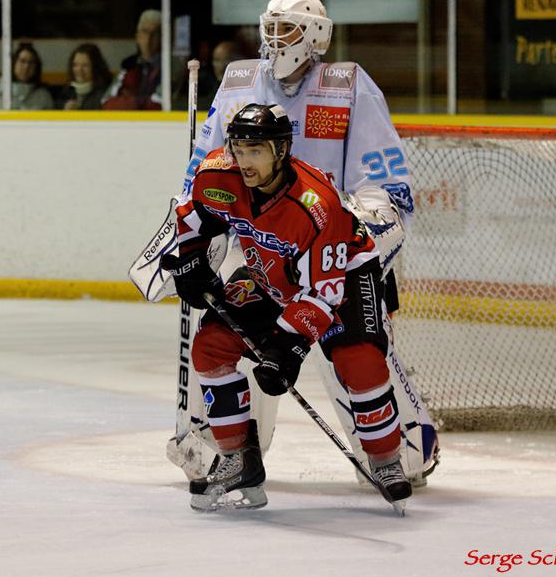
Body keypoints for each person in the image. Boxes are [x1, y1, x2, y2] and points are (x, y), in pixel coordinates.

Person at [173, 0, 438, 488]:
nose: (275, 40)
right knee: (221, 342)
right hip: (260, 255)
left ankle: (398, 445)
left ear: (316, 35)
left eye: (288, 28)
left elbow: (386, 185)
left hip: (329, 249)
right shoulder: (238, 82)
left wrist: (356, 232)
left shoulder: (349, 86)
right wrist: (191, 249)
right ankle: (226, 446)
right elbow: (202, 178)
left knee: (358, 354)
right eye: (269, 27)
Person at [164, 103, 412, 511]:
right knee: (210, 348)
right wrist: (191, 259)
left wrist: (285, 347)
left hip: (343, 277)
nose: (244, 161)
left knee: (360, 361)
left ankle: (386, 459)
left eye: (255, 151)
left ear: (281, 150)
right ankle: (237, 459)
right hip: (270, 273)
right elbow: (193, 216)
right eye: (239, 149)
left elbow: (324, 292)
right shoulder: (217, 174)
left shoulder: (318, 204)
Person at [103, 10, 162, 110]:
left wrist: (130, 100)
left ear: (162, 38)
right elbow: (106, 102)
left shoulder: (169, 66)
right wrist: (140, 102)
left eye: (154, 33)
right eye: (145, 32)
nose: (148, 38)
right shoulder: (129, 65)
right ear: (138, 37)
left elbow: (159, 104)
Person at [0, 42, 54, 110]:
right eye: (22, 61)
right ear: (13, 64)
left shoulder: (44, 97)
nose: (26, 67)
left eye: (31, 62)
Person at [57, 43, 112, 110]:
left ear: (95, 67)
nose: (79, 70)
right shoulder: (67, 93)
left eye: (85, 65)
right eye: (75, 65)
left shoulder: (105, 95)